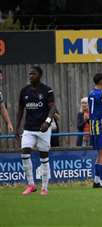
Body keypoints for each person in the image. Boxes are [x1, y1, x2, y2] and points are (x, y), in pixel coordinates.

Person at [15, 66, 57, 196]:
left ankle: (44, 187)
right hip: (29, 129)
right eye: (30, 74)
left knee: (44, 157)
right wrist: (17, 128)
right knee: (24, 153)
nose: (30, 76)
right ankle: (31, 185)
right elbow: (21, 110)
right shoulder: (24, 91)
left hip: (43, 129)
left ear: (40, 75)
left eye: (33, 74)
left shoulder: (47, 90)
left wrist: (48, 122)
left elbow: (53, 108)